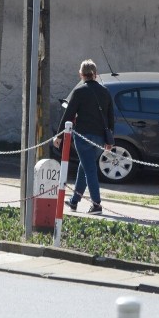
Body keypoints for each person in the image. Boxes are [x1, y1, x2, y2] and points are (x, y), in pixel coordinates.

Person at [53, 59, 114, 215]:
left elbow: (69, 114)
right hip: (100, 138)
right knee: (85, 166)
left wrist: (59, 135)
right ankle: (74, 201)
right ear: (95, 74)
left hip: (83, 137)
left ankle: (96, 204)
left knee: (90, 170)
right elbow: (110, 117)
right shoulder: (105, 91)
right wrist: (109, 140)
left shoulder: (79, 91)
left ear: (81, 74)